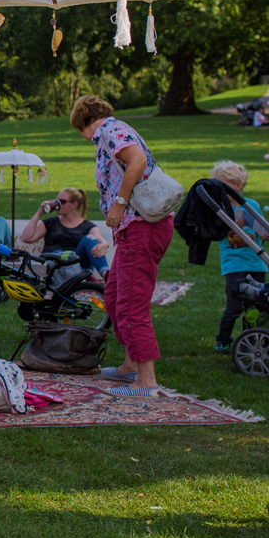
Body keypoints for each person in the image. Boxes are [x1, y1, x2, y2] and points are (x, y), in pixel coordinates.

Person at [72, 95, 172, 397]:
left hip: (141, 226)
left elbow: (137, 161)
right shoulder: (113, 132)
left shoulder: (111, 131)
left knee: (131, 304)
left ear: (83, 122)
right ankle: (130, 366)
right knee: (115, 296)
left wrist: (119, 203)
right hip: (134, 229)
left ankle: (146, 380)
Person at [210, 160, 265, 353]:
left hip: (257, 265)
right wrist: (230, 228)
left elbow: (261, 230)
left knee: (255, 307)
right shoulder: (219, 210)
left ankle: (250, 339)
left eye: (222, 185)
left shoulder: (252, 205)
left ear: (238, 186)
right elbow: (213, 233)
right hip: (234, 266)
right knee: (233, 307)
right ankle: (223, 339)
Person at [19, 187, 108, 276]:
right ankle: (81, 277)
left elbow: (98, 238)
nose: (58, 205)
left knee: (90, 238)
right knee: (58, 254)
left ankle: (106, 275)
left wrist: (104, 244)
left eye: (62, 202)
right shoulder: (49, 223)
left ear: (74, 205)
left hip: (77, 266)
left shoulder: (87, 226)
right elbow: (26, 238)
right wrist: (39, 213)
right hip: (54, 269)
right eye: (56, 201)